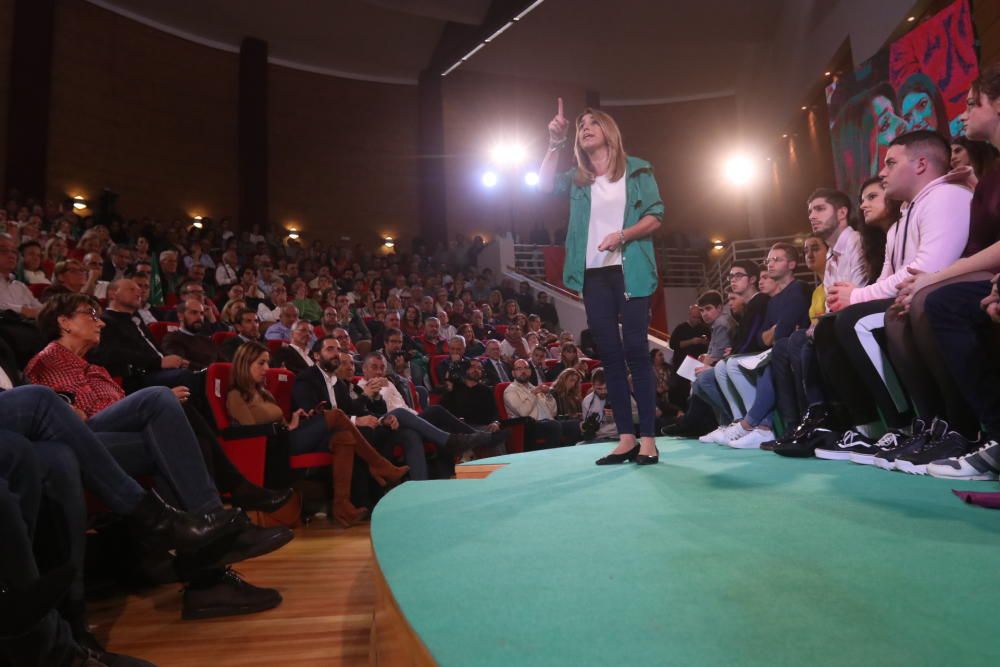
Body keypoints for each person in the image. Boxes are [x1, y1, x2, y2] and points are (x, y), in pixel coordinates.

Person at [539, 100, 662, 464]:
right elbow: (543, 186)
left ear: (608, 130)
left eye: (593, 123)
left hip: (630, 270)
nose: (585, 128)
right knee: (609, 357)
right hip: (594, 275)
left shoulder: (638, 170)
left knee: (637, 351)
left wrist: (622, 235)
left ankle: (649, 441)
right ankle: (626, 437)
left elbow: (656, 216)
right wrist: (554, 143)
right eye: (580, 126)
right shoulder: (578, 179)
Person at [226, 342, 408, 527]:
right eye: (261, 363)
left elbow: (283, 425)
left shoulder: (264, 394)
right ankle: (378, 464)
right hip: (272, 448)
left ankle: (342, 507)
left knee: (343, 438)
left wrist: (294, 421)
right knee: (336, 415)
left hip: (286, 437)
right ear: (245, 363)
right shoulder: (236, 395)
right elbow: (250, 433)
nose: (267, 368)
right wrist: (287, 429)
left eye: (267, 362)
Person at [503, 359, 581, 449]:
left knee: (575, 425)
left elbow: (553, 412)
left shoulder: (534, 387)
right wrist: (533, 394)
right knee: (554, 425)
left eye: (526, 368)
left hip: (547, 422)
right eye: (519, 369)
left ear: (530, 371)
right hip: (528, 427)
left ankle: (567, 454)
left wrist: (548, 395)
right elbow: (522, 412)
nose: (523, 371)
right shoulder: (510, 391)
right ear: (513, 373)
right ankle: (552, 457)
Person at [161, 298, 222, 371]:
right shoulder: (172, 339)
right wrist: (209, 370)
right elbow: (181, 364)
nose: (199, 317)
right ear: (181, 316)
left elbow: (223, 362)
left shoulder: (207, 340)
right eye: (194, 313)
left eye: (202, 313)